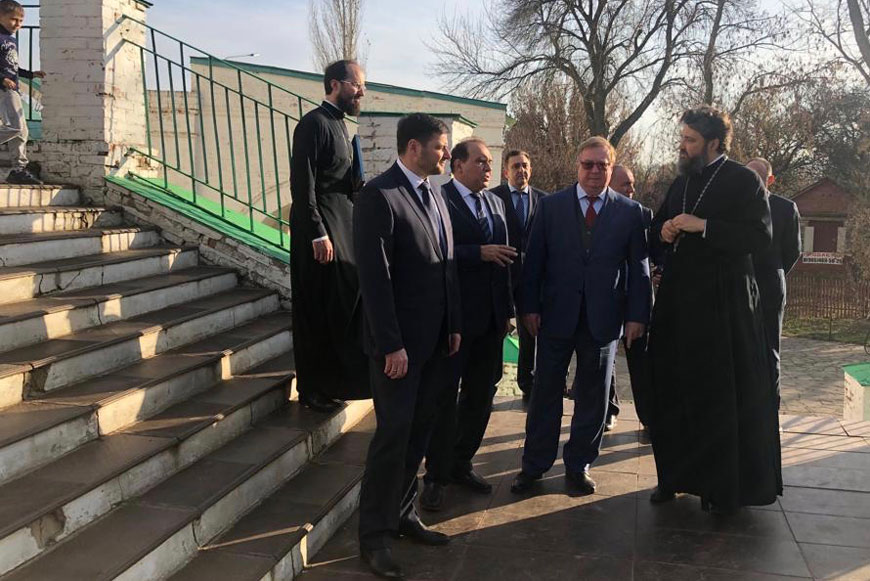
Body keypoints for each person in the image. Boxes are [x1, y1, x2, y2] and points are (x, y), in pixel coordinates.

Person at [648, 105, 780, 514]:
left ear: (714, 143)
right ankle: (673, 477)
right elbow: (656, 228)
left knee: (719, 398)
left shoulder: (743, 181)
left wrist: (703, 226)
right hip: (678, 305)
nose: (682, 146)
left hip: (725, 308)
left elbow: (759, 238)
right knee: (673, 392)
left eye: (690, 140)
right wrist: (663, 230)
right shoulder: (681, 182)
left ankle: (722, 488)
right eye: (682, 138)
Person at [354, 113, 462, 579]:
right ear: (414, 147)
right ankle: (374, 537)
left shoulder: (434, 194)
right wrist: (391, 345)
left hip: (435, 343)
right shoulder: (379, 196)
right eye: (441, 146)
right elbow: (375, 279)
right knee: (393, 438)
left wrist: (453, 324)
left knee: (419, 433)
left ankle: (402, 514)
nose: (447, 154)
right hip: (398, 350)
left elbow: (447, 266)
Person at [511, 137, 651, 496]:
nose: (594, 171)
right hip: (555, 316)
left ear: (611, 168)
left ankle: (579, 465)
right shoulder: (551, 207)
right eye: (588, 164)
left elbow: (639, 269)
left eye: (602, 165)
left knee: (593, 397)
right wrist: (529, 307)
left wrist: (637, 316)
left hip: (603, 320)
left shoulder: (630, 212)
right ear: (578, 166)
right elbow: (534, 261)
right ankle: (534, 465)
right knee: (545, 394)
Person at [421, 138, 515, 511]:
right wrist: (477, 253)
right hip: (455, 320)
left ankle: (461, 463)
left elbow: (505, 261)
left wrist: (507, 311)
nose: (488, 168)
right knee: (445, 399)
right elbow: (432, 253)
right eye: (480, 161)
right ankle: (435, 476)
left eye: (490, 162)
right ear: (458, 165)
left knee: (480, 396)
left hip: (491, 320)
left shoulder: (495, 203)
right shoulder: (438, 200)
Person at [289, 59, 369, 412]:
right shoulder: (313, 124)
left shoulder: (341, 126)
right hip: (319, 230)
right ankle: (311, 388)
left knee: (342, 305)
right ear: (335, 84)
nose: (361, 92)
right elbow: (302, 184)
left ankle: (336, 382)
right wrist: (317, 232)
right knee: (316, 309)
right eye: (357, 84)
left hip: (342, 225)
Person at [491, 151, 548, 402]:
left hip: (532, 277)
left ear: (531, 169)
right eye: (515, 166)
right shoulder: (493, 198)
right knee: (497, 330)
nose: (521, 171)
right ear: (506, 171)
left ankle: (528, 382)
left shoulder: (544, 201)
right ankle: (491, 382)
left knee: (530, 331)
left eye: (525, 165)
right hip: (501, 274)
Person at [746, 157, 801, 408]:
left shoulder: (785, 208)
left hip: (769, 286)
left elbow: (792, 251)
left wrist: (774, 272)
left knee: (769, 349)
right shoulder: (733, 206)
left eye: (758, 176)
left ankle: (769, 410)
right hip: (737, 285)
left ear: (770, 180)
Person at [607, 164, 656, 429]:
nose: (632, 189)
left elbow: (654, 255)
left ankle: (649, 417)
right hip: (607, 300)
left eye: (633, 183)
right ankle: (608, 410)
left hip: (636, 303)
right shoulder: (596, 214)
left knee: (642, 363)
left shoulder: (643, 215)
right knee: (605, 360)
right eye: (626, 184)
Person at [0, 0, 43, 185]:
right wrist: (2, 79)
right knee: (16, 127)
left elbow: (12, 67)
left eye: (20, 21)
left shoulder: (11, 39)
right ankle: (18, 168)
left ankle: (18, 169)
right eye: (13, 19)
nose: (17, 24)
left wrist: (30, 74)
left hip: (13, 88)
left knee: (22, 131)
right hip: (3, 88)